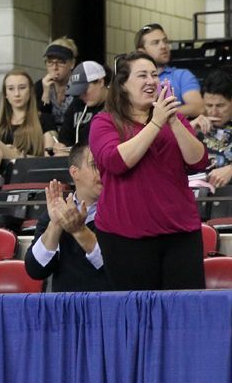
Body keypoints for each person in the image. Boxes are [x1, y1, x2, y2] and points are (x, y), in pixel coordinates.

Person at [88, 51, 208, 291]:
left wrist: (172, 120)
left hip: (180, 232)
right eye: (142, 75)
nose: (151, 81)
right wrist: (156, 123)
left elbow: (199, 160)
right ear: (122, 85)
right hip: (124, 237)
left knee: (184, 311)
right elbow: (116, 162)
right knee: (138, 316)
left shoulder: (174, 118)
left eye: (154, 75)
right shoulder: (104, 122)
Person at [25, 142, 108, 292]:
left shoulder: (120, 212)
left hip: (107, 307)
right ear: (75, 172)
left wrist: (79, 231)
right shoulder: (55, 214)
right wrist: (55, 224)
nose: (103, 171)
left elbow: (114, 266)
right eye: (95, 165)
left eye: (105, 165)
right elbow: (35, 270)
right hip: (64, 309)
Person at [135, 23, 205, 117]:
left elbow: (198, 107)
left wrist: (163, 114)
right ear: (141, 52)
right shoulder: (133, 78)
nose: (163, 46)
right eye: (155, 43)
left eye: (165, 41)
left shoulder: (182, 75)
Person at [190, 70, 232, 189]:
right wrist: (188, 130)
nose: (214, 112)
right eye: (209, 106)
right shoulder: (194, 128)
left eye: (220, 106)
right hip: (197, 198)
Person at [52, 61, 109, 151]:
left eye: (85, 90)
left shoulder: (117, 105)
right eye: (78, 92)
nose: (82, 96)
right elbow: (65, 138)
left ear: (100, 82)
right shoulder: (76, 105)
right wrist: (61, 147)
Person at [35, 37, 77, 128]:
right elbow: (37, 121)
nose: (54, 67)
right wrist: (46, 94)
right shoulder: (39, 86)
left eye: (61, 62)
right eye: (50, 62)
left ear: (72, 63)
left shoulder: (78, 85)